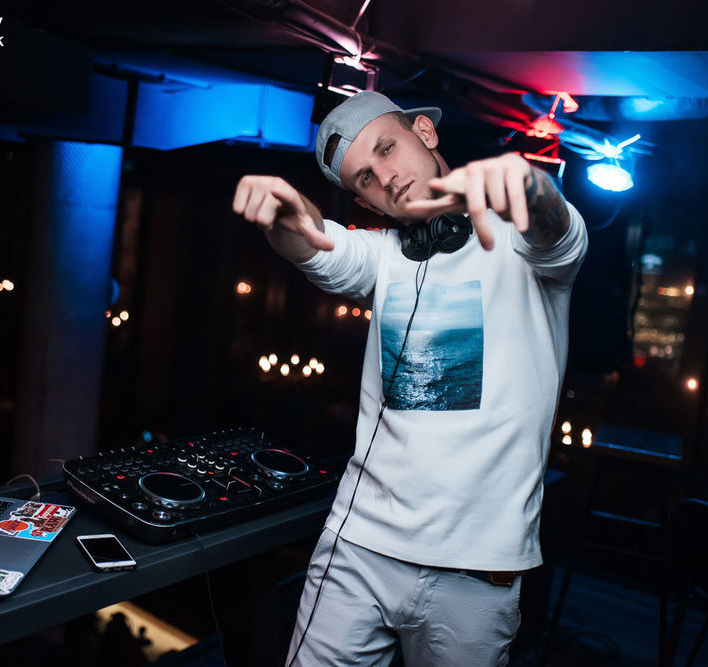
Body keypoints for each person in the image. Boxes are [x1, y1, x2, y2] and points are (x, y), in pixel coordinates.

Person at [233, 91, 587, 666]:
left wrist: (530, 187)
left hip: (479, 569)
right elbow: (315, 243)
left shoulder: (521, 243)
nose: (386, 177)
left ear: (425, 131)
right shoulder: (383, 256)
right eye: (365, 178)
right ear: (363, 201)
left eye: (387, 148)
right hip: (358, 548)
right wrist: (282, 218)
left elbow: (558, 234)